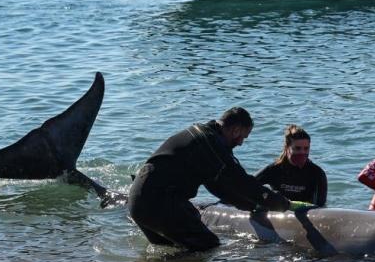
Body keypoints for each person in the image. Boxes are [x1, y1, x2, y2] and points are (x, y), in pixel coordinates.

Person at [128, 107, 310, 252]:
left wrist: (251, 206)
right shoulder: (211, 146)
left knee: (174, 250)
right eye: (243, 137)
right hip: (159, 202)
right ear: (235, 129)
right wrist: (279, 203)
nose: (241, 143)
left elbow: (220, 188)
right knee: (208, 246)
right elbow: (241, 183)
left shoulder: (200, 135)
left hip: (138, 200)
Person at [255, 124, 327, 207]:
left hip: (306, 214)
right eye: (297, 148)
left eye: (306, 148)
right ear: (287, 148)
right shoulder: (274, 169)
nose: (302, 153)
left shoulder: (317, 173)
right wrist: (266, 197)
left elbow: (320, 206)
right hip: (279, 214)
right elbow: (248, 186)